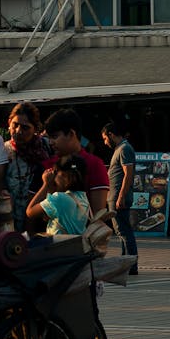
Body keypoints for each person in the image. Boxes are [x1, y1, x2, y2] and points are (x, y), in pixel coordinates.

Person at [43, 108, 109, 215]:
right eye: (49, 138)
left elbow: (98, 214)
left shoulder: (94, 164)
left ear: (71, 134)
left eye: (54, 137)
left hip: (84, 231)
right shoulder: (48, 165)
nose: (50, 142)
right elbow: (35, 214)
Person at [3, 101, 52, 232]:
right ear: (9, 123)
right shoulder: (3, 151)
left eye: (25, 127)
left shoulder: (47, 147)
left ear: (35, 129)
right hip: (12, 219)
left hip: (42, 218)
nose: (18, 131)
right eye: (15, 125)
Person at [102, 120, 139, 275]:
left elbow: (128, 174)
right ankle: (126, 263)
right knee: (122, 231)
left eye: (104, 138)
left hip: (119, 197)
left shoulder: (124, 148)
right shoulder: (120, 148)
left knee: (124, 231)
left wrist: (121, 196)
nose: (104, 142)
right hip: (115, 195)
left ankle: (131, 265)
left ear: (111, 134)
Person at [27, 153, 90, 235]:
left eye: (56, 173)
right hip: (74, 244)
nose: (54, 178)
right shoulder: (82, 196)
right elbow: (46, 216)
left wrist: (45, 184)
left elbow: (30, 212)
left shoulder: (60, 198)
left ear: (65, 176)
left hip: (59, 245)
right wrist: (50, 188)